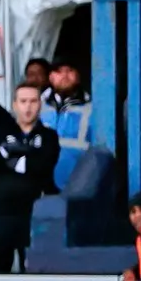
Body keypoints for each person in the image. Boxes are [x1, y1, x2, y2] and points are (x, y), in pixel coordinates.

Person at [0, 82, 57, 274]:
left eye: (33, 101)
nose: (28, 107)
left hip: (35, 212)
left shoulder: (49, 136)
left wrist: (11, 158)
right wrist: (27, 156)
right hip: (2, 210)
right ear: (14, 104)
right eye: (23, 101)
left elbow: (42, 165)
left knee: (34, 268)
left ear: (40, 104)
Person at [39, 59, 91, 191]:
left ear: (78, 76)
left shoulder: (91, 108)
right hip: (39, 184)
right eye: (59, 71)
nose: (64, 76)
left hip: (76, 183)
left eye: (69, 71)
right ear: (50, 77)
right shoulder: (36, 105)